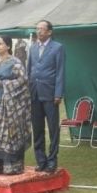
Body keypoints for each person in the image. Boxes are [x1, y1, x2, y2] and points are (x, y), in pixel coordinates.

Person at [0, 35, 31, 175]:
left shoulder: (15, 62)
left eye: (0, 44)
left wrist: (4, 84)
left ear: (8, 46)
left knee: (9, 133)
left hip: (11, 104)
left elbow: (23, 80)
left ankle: (12, 166)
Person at [27, 20, 65, 173]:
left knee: (53, 128)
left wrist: (58, 93)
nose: (39, 31)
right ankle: (41, 160)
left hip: (50, 94)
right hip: (35, 92)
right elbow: (29, 70)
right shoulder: (33, 48)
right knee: (37, 128)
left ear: (49, 32)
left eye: (42, 29)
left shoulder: (58, 48)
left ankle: (52, 160)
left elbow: (60, 71)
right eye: (37, 29)